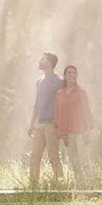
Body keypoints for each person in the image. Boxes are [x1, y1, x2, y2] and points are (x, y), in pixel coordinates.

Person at [28, 52, 65, 188]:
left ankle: (60, 184)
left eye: (42, 59)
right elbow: (36, 103)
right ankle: (33, 186)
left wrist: (61, 125)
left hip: (52, 124)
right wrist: (32, 123)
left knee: (53, 156)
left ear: (49, 62)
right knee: (34, 157)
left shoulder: (59, 81)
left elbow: (63, 104)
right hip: (39, 124)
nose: (39, 61)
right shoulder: (39, 81)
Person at [54, 65, 94, 184]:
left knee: (84, 160)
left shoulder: (81, 93)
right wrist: (61, 133)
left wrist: (88, 130)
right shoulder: (59, 94)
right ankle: (81, 186)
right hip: (67, 133)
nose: (72, 75)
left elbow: (87, 111)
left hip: (81, 132)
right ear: (65, 76)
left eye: (74, 73)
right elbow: (58, 114)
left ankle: (91, 185)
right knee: (73, 162)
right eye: (69, 72)